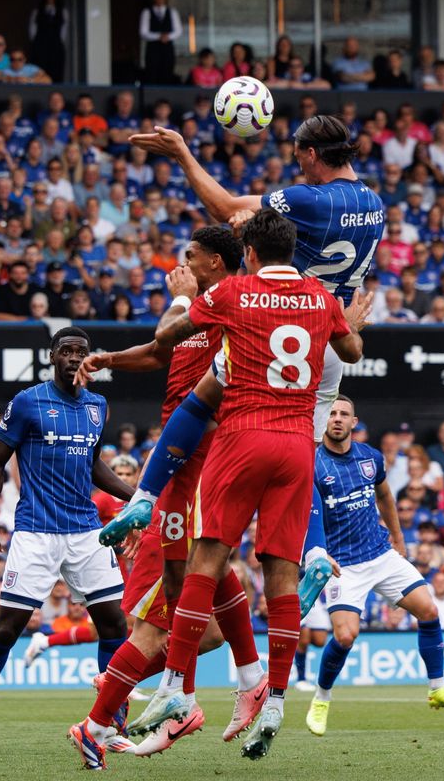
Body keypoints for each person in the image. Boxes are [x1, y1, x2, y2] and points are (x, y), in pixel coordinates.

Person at [124, 209, 365, 760]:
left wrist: (186, 300)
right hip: (297, 445)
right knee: (282, 571)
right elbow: (350, 352)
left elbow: (168, 338)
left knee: (206, 560)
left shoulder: (234, 290)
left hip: (243, 436)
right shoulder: (320, 298)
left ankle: (173, 690)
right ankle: (276, 697)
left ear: (250, 253)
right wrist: (352, 322)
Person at [69, 227, 266, 758]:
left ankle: (114, 711)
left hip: (203, 455)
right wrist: (110, 360)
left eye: (191, 258)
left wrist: (180, 295)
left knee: (168, 602)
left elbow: (166, 335)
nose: (180, 265)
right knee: (201, 579)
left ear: (218, 264)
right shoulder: (205, 311)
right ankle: (200, 691)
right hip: (179, 461)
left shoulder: (231, 303)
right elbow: (162, 351)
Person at [129, 114, 382, 443]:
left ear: (311, 154)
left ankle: (148, 492)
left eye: (297, 156)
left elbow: (224, 207)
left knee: (201, 402)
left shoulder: (310, 199)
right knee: (309, 449)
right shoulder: (375, 204)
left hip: (281, 325)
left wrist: (181, 153)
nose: (299, 165)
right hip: (334, 335)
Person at [0, 328, 134, 761]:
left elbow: (94, 467)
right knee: (7, 629)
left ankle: (108, 725)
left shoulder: (97, 406)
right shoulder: (28, 402)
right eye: (67, 351)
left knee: (115, 624)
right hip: (36, 531)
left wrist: (138, 497)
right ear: (52, 356)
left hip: (86, 531)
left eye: (82, 352)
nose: (75, 358)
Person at [303, 397, 444, 737]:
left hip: (381, 553)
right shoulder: (313, 464)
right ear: (324, 421)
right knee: (346, 635)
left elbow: (385, 496)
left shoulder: (370, 458)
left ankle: (437, 687)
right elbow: (304, 514)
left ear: (354, 422)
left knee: (428, 608)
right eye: (332, 413)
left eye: (343, 414)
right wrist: (318, 551)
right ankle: (321, 699)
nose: (337, 419)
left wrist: (397, 536)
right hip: (343, 565)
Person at [140, 0, 182, 84]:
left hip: (167, 49)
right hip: (153, 49)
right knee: (152, 73)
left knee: (167, 72)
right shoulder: (147, 12)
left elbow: (178, 31)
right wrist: (158, 36)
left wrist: (168, 37)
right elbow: (143, 32)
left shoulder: (172, 12)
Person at [28, 0, 67, 83]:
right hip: (40, 46)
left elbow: (64, 31)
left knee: (56, 71)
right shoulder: (37, 12)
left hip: (56, 47)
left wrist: (57, 43)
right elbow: (32, 31)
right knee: (40, 71)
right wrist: (38, 44)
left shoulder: (63, 12)